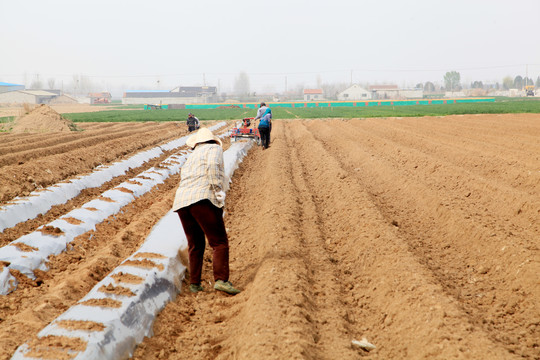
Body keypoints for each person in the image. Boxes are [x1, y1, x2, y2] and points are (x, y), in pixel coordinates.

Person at [172, 127, 240, 295]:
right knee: (219, 241)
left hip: (182, 202)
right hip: (202, 199)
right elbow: (214, 169)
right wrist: (218, 194)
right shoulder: (214, 148)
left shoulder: (193, 155)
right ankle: (221, 280)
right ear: (211, 140)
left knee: (195, 244)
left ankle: (195, 284)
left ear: (196, 143)